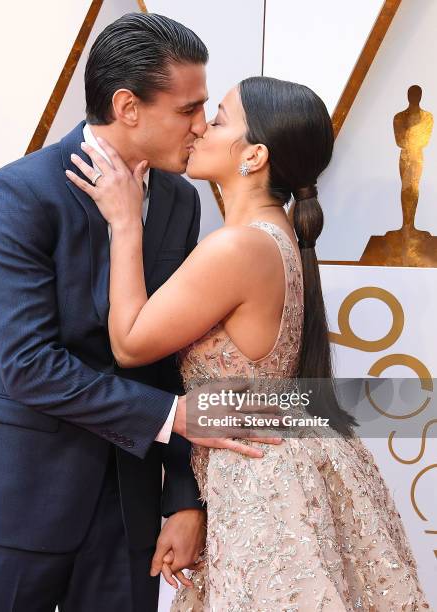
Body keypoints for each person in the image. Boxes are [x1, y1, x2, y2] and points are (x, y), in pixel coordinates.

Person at [0, 14, 277, 612]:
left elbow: (178, 357)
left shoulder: (179, 199)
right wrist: (172, 415)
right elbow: (27, 365)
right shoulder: (18, 193)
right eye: (188, 109)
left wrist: (183, 497)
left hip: (130, 507)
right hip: (15, 502)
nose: (201, 127)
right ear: (127, 107)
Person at [67, 76, 431, 610]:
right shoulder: (278, 234)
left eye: (216, 121)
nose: (198, 129)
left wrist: (125, 223)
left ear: (254, 155)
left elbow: (129, 343)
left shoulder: (238, 247)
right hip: (273, 474)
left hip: (262, 486)